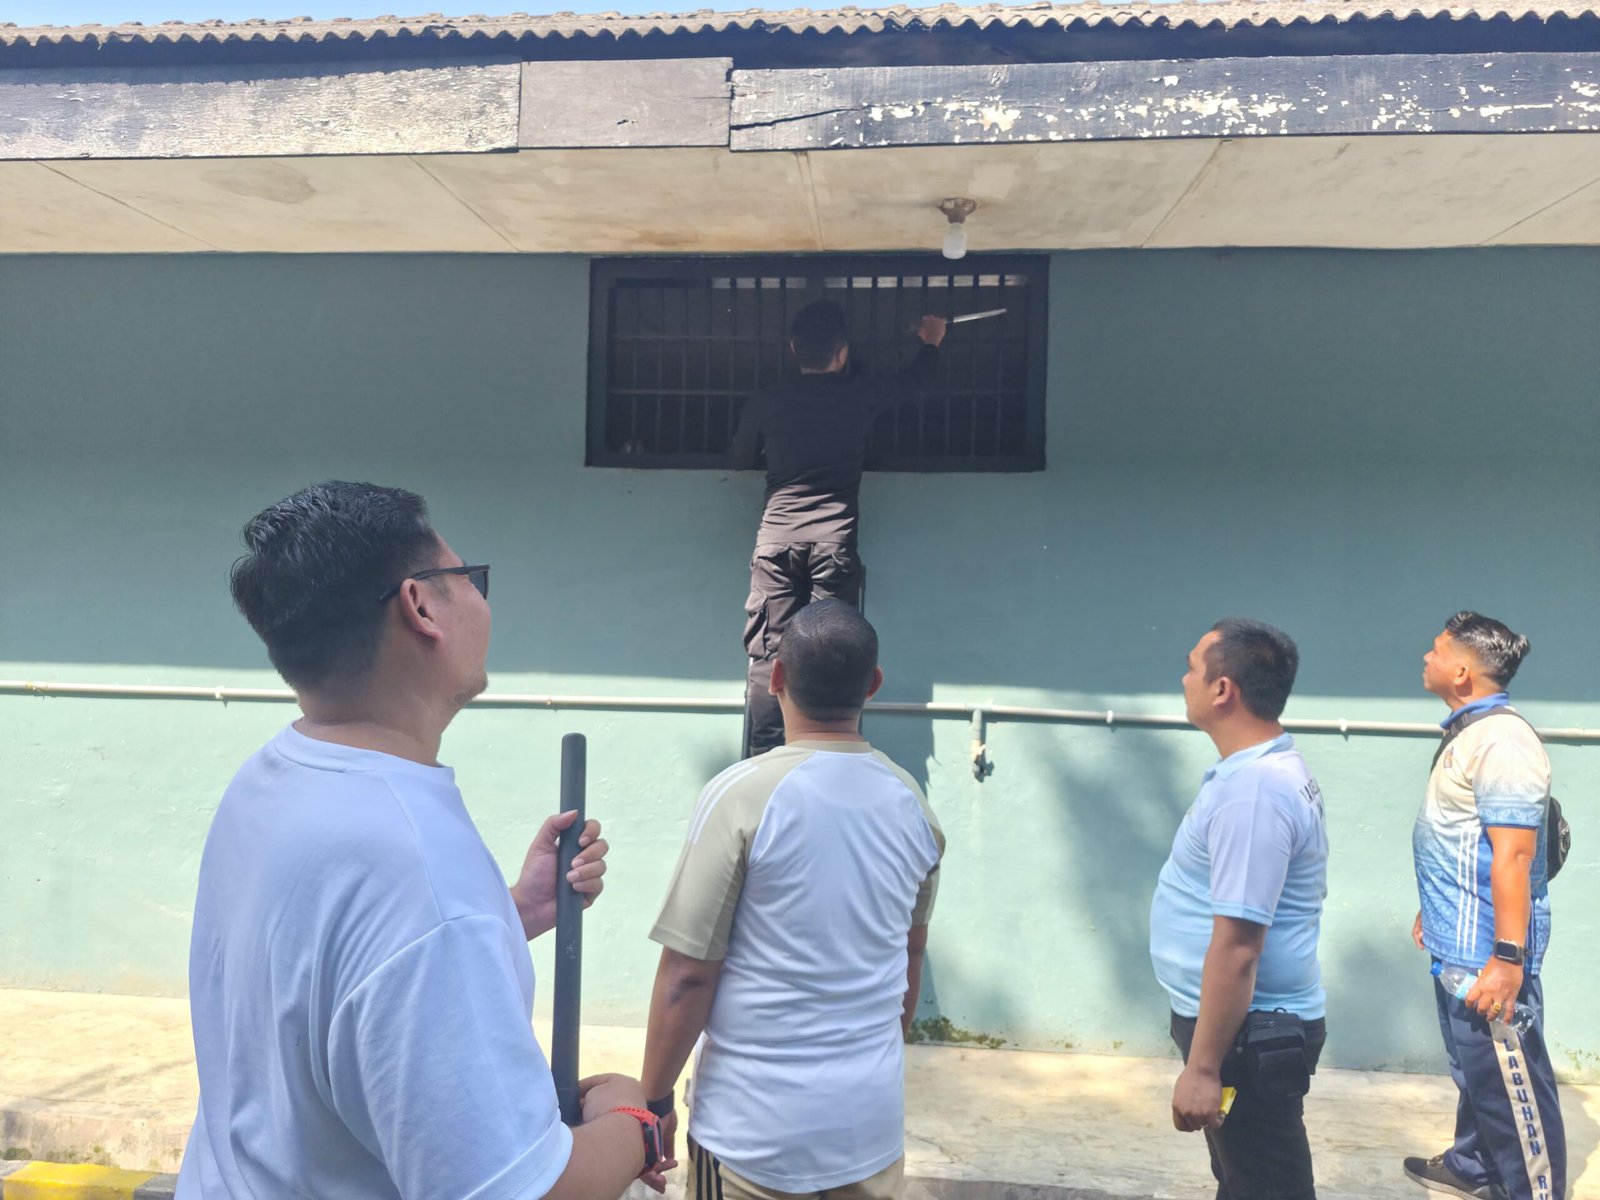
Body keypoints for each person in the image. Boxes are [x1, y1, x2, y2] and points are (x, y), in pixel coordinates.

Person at [177, 481, 663, 1200]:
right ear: (421, 606)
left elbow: (332, 974)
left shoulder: (273, 778)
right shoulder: (416, 864)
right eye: (468, 578)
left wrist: (511, 913)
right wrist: (633, 1120)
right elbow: (520, 1191)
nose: (480, 599)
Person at [637, 599, 944, 1200]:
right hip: (869, 1135)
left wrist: (653, 1101)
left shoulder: (740, 795)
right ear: (874, 685)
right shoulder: (914, 806)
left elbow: (688, 976)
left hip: (752, 1141)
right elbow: (910, 959)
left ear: (775, 676)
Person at [1151, 618, 1330, 1200]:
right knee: (1245, 1180)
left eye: (1191, 668)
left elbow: (1239, 947)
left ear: (1222, 689)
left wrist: (1204, 1067)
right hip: (1242, 1028)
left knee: (1268, 1188)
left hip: (1247, 1035)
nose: (1183, 680)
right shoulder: (1260, 771)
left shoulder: (1254, 792)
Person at [730, 300, 947, 757]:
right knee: (829, 654)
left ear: (794, 349)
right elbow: (914, 382)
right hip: (834, 543)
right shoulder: (858, 396)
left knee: (768, 655)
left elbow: (740, 455)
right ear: (843, 353)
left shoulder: (768, 399)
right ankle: (825, 756)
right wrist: (931, 342)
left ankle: (763, 760)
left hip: (777, 539)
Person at [1404, 611, 1564, 1200]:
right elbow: (1463, 839)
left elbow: (1515, 855)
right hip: (1459, 944)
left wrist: (1507, 957)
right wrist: (1432, 906)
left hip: (1487, 957)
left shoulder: (1503, 742)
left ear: (1462, 672)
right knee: (1477, 1074)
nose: (1427, 656)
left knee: (1514, 1092)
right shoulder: (1470, 733)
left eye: (1437, 649)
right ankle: (1474, 1166)